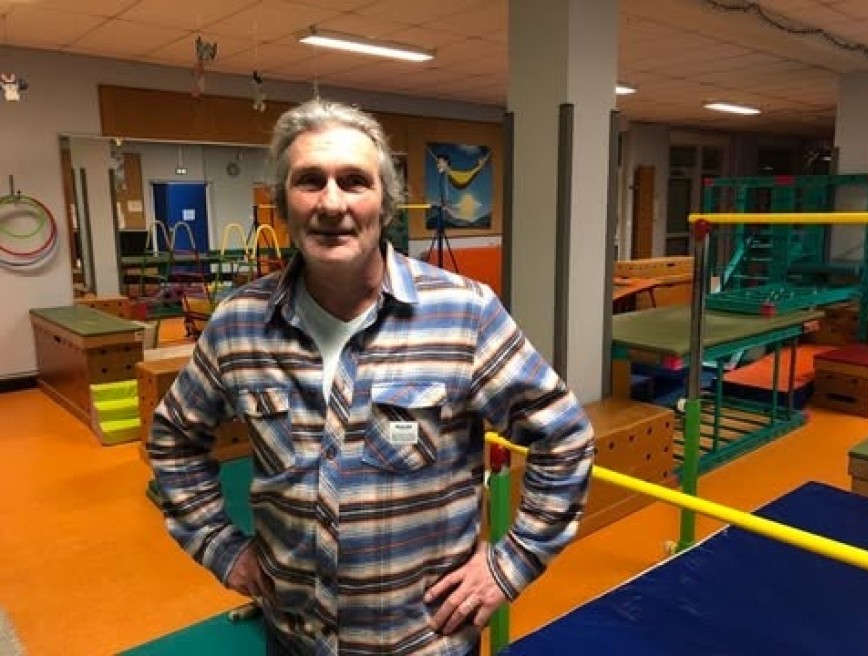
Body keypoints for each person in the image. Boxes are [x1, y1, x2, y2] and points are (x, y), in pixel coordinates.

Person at [147, 98, 595, 656]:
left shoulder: (464, 314)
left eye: (354, 181)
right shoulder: (239, 324)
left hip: (424, 643)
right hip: (293, 641)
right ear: (282, 203)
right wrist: (219, 545)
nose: (331, 203)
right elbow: (173, 439)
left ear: (386, 204)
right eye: (310, 180)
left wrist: (511, 564)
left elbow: (565, 437)